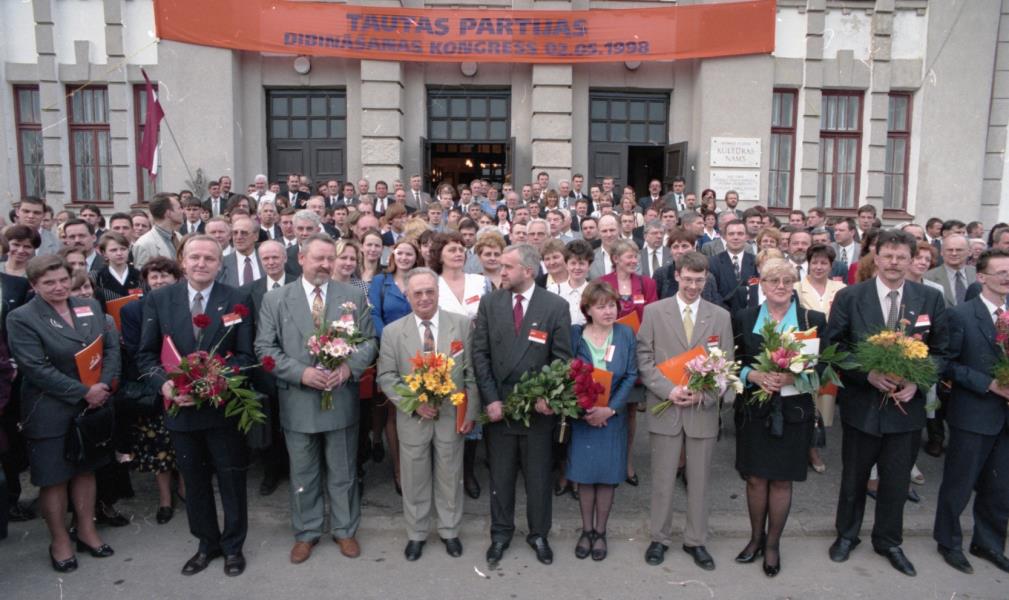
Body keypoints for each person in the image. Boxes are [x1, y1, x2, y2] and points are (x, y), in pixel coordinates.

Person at [825, 229, 949, 576]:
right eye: (888, 256)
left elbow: (942, 351)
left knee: (895, 482)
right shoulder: (850, 297)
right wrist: (867, 374)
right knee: (854, 479)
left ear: (912, 260)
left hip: (906, 410)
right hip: (862, 406)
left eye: (901, 257)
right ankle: (846, 535)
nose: (894, 263)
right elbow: (834, 348)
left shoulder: (930, 299)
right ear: (876, 258)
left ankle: (889, 541)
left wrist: (917, 381)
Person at [136, 235, 256, 577]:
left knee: (231, 481)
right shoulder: (159, 299)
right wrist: (165, 385)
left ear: (220, 264)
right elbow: (145, 355)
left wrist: (213, 382)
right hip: (180, 409)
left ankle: (233, 547)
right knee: (195, 480)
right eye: (194, 257)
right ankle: (206, 544)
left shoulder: (237, 299)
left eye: (209, 258)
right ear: (182, 261)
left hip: (222, 410)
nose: (201, 263)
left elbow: (245, 356)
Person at [255, 234, 378, 565]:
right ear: (301, 259)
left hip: (340, 398)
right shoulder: (276, 299)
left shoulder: (353, 295)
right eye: (318, 258)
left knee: (343, 470)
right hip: (298, 400)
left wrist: (348, 369)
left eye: (330, 259)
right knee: (303, 472)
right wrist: (301, 373)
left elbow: (368, 341)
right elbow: (264, 348)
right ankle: (306, 532)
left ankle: (344, 528)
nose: (325, 265)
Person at [7, 255, 121, 572]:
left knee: (86, 470)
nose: (58, 287)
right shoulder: (21, 317)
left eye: (62, 280)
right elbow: (34, 367)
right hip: (50, 408)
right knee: (54, 478)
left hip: (93, 403)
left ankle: (86, 531)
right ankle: (59, 541)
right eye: (49, 283)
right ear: (34, 285)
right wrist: (83, 391)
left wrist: (102, 386)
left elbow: (110, 347)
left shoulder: (89, 306)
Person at [473, 243, 572, 566]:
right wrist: (491, 399)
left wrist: (547, 396)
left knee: (538, 477)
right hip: (499, 407)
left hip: (537, 411)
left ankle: (539, 534)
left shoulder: (555, 306)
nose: (500, 271)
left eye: (507, 267)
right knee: (500, 477)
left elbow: (562, 359)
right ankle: (500, 534)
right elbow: (480, 355)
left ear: (528, 271)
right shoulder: (490, 303)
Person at [732, 258, 827, 577]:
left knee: (782, 479)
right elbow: (733, 361)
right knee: (756, 478)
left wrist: (793, 377)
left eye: (787, 280)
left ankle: (773, 545)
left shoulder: (811, 320)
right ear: (761, 284)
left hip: (793, 413)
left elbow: (824, 368)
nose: (781, 286)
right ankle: (755, 538)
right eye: (774, 280)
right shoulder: (745, 318)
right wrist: (753, 375)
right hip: (755, 411)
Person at [638, 251, 734, 570]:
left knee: (700, 480)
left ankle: (696, 540)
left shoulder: (720, 316)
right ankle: (659, 538)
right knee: (663, 478)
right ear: (677, 275)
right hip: (665, 407)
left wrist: (705, 395)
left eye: (699, 281)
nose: (693, 287)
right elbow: (644, 359)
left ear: (707, 279)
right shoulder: (654, 312)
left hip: (701, 410)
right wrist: (669, 390)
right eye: (688, 279)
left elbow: (726, 365)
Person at [376, 267, 480, 561]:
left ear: (438, 292)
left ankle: (449, 530)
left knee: (450, 474)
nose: (424, 298)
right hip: (413, 418)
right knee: (414, 478)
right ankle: (417, 533)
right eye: (417, 293)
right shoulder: (393, 332)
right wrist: (412, 404)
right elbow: (387, 377)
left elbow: (471, 373)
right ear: (407, 296)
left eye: (429, 292)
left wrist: (470, 412)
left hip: (451, 416)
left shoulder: (461, 325)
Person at [934, 248, 1009, 575]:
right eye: (1001, 272)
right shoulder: (961, 315)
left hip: (1005, 418)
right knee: (959, 483)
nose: (1007, 277)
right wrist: (988, 384)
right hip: (974, 413)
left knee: (1001, 486)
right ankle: (948, 542)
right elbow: (945, 363)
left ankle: (988, 543)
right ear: (981, 277)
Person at [567, 281, 637, 561]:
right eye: (601, 306)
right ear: (588, 310)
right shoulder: (575, 335)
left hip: (612, 418)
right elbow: (566, 373)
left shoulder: (626, 333)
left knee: (607, 477)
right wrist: (585, 409)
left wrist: (611, 409)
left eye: (612, 305)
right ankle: (586, 531)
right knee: (585, 477)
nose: (608, 311)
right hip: (583, 417)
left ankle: (601, 532)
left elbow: (631, 375)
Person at [120, 256, 184, 523]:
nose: (159, 281)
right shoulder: (132, 310)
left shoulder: (185, 304)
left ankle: (185, 488)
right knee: (158, 444)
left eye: (164, 275)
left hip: (185, 381)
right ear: (145, 281)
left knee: (183, 442)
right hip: (153, 384)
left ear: (176, 278)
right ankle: (165, 499)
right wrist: (162, 377)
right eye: (153, 277)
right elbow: (137, 350)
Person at [598, 238, 657, 486]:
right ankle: (606, 461)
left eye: (636, 256)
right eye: (629, 257)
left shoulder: (647, 283)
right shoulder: (602, 283)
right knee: (607, 406)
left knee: (630, 410)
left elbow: (653, 317)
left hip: (635, 352)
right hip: (607, 352)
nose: (634, 261)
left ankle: (627, 461)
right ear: (616, 259)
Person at [369, 238, 423, 496]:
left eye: (409, 254)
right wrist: (392, 340)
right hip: (390, 352)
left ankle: (418, 466)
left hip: (420, 354)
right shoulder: (380, 282)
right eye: (400, 253)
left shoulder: (421, 280)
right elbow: (374, 314)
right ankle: (399, 469)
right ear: (393, 255)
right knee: (395, 412)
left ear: (416, 257)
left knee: (420, 407)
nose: (404, 257)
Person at [794, 243, 846, 473]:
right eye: (814, 262)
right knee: (804, 400)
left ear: (831, 265)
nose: (818, 266)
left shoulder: (842, 289)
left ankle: (814, 442)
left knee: (823, 403)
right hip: (804, 350)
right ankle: (807, 448)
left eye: (824, 262)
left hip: (830, 351)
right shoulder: (796, 288)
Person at [90, 232, 143, 308]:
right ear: (104, 253)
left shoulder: (140, 276)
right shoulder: (96, 277)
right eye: (113, 250)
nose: (119, 253)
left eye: (123, 249)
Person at [132, 193, 183, 270]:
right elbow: (142, 275)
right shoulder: (144, 245)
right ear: (168, 213)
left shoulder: (179, 237)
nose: (183, 211)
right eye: (179, 208)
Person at [555, 239, 594, 327]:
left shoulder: (595, 291)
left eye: (581, 263)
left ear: (589, 266)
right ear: (566, 265)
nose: (577, 267)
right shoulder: (554, 290)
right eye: (573, 263)